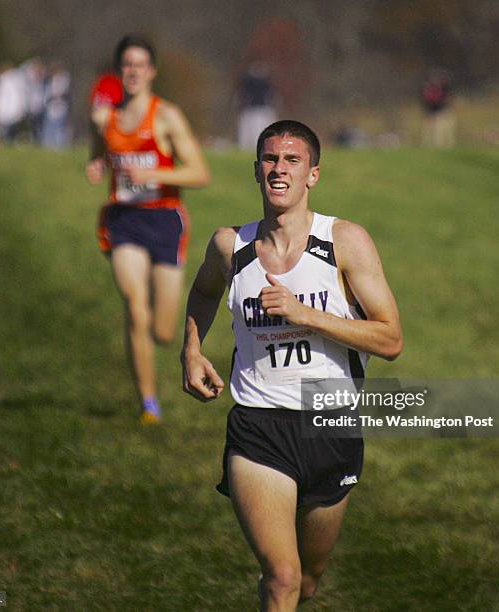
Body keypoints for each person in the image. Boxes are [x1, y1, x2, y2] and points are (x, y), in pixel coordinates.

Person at [181, 120, 402, 610]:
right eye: (269, 159)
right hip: (259, 426)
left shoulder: (344, 242)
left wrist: (306, 315)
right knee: (281, 577)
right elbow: (202, 292)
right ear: (256, 170)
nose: (278, 169)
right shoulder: (230, 247)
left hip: (331, 424)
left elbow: (390, 339)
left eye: (291, 160)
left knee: (307, 579)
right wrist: (192, 349)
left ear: (313, 175)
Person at [86, 35, 210, 423]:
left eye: (140, 64)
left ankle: (157, 357)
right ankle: (149, 404)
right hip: (124, 221)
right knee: (135, 309)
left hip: (164, 220)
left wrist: (153, 171)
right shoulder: (104, 118)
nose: (133, 71)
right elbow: (98, 149)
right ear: (119, 69)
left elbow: (200, 173)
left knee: (164, 331)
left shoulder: (166, 116)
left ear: (152, 71)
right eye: (126, 63)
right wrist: (96, 164)